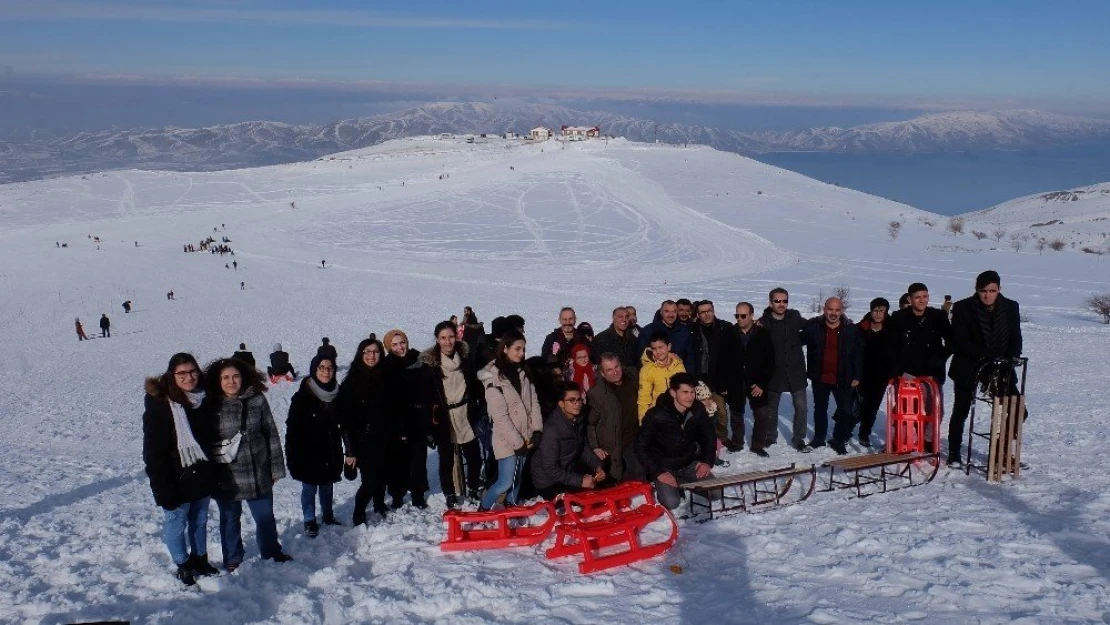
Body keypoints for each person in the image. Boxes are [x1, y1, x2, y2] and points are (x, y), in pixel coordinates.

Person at [205, 358, 291, 570]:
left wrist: (276, 468)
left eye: (235, 376)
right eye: (225, 377)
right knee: (230, 519)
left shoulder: (256, 399)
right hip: (226, 476)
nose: (231, 381)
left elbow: (271, 433)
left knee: (265, 518)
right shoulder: (210, 404)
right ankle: (233, 558)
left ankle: (271, 551)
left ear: (243, 377)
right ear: (218, 380)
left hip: (257, 471)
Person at [142, 353, 218, 586]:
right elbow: (154, 454)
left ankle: (200, 558)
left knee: (200, 521)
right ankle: (182, 564)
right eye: (182, 373)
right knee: (177, 523)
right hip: (176, 479)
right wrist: (163, 490)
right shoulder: (161, 405)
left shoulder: (203, 399)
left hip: (202, 475)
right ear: (171, 375)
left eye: (193, 371)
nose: (189, 377)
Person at [947, 270, 1023, 467]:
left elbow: (1015, 336)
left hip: (999, 368)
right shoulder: (963, 307)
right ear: (976, 289)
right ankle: (954, 452)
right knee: (961, 410)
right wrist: (989, 355)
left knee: (1017, 410)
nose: (987, 295)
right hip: (969, 364)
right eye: (983, 291)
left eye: (992, 290)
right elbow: (960, 342)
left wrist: (1013, 355)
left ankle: (1001, 452)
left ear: (999, 289)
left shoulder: (1010, 307)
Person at [420, 321, 484, 509]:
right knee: (446, 459)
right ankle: (449, 493)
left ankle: (472, 489)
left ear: (456, 336)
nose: (448, 342)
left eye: (450, 337)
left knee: (474, 457)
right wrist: (429, 423)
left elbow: (473, 381)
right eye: (443, 338)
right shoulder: (430, 364)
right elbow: (426, 396)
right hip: (444, 416)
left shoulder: (464, 357)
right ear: (437, 340)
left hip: (465, 412)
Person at [477, 330, 543, 510]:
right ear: (505, 349)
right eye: (517, 349)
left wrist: (536, 430)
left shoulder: (523, 373)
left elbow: (534, 403)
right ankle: (483, 508)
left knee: (517, 477)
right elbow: (500, 417)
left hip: (526, 435)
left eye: (523, 349)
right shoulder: (493, 379)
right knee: (505, 481)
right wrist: (517, 443)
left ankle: (511, 505)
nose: (521, 353)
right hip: (507, 440)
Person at [634, 373, 716, 510]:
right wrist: (658, 473)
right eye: (684, 392)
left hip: (688, 462)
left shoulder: (698, 410)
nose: (690, 397)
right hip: (664, 466)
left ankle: (682, 482)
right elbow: (640, 446)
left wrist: (706, 461)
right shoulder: (656, 415)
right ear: (673, 392)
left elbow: (709, 436)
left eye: (692, 392)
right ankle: (665, 485)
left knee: (716, 492)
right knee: (672, 502)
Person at [285, 355, 343, 537]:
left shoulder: (337, 393)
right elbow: (292, 429)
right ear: (314, 370)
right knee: (309, 487)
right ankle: (309, 520)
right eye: (322, 367)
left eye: (330, 367)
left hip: (330, 448)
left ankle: (328, 515)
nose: (326, 371)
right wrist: (293, 455)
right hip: (307, 451)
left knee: (327, 484)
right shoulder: (302, 396)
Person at [338, 337, 390, 523]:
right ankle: (359, 511)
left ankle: (379, 503)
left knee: (382, 475)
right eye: (367, 352)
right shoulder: (351, 382)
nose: (371, 356)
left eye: (375, 352)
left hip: (384, 437)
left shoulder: (387, 376)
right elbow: (344, 421)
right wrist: (350, 451)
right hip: (363, 440)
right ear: (361, 354)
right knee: (369, 481)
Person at [801, 297, 863, 455]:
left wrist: (857, 375)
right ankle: (819, 438)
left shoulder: (851, 329)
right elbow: (795, 338)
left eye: (837, 310)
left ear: (842, 311)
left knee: (845, 411)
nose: (833, 313)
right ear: (824, 309)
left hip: (843, 377)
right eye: (830, 309)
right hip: (819, 377)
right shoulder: (814, 326)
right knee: (820, 409)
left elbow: (858, 353)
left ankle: (838, 440)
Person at [714, 302, 775, 456]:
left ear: (752, 316)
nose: (739, 319)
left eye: (743, 316)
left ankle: (757, 445)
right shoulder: (729, 334)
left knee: (762, 414)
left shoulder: (763, 334)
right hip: (735, 381)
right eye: (737, 315)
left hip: (756, 382)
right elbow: (721, 361)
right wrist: (723, 384)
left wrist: (761, 384)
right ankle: (737, 442)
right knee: (736, 413)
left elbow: (770, 362)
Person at [382, 329, 431, 509]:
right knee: (398, 461)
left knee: (418, 460)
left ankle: (418, 494)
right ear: (388, 346)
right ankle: (397, 494)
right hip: (396, 420)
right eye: (394, 344)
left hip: (418, 418)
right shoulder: (386, 366)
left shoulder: (419, 360)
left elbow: (428, 388)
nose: (400, 347)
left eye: (402, 342)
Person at [531, 382, 605, 499]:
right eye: (572, 400)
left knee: (597, 492)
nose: (577, 404)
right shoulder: (552, 429)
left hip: (567, 472)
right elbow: (550, 468)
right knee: (583, 501)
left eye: (579, 400)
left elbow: (583, 448)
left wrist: (597, 467)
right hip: (548, 482)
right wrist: (580, 481)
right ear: (561, 403)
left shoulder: (577, 419)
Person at [759, 288, 808, 451]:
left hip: (796, 372)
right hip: (774, 373)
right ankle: (770, 436)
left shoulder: (794, 317)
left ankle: (799, 438)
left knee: (801, 407)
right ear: (770, 302)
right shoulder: (763, 323)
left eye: (784, 301)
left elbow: (813, 328)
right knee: (771, 409)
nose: (781, 304)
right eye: (777, 301)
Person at [586, 353, 643, 482]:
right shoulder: (597, 394)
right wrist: (594, 446)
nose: (615, 372)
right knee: (616, 477)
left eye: (616, 367)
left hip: (634, 436)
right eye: (609, 370)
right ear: (602, 373)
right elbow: (590, 424)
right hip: (612, 443)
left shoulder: (633, 377)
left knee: (638, 470)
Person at [856, 298, 895, 447]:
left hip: (881, 376)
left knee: (872, 407)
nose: (878, 314)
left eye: (882, 311)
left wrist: (892, 372)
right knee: (856, 406)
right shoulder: (862, 327)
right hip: (861, 374)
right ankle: (845, 432)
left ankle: (864, 433)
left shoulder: (891, 329)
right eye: (875, 310)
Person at [637, 331, 686, 421]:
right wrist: (643, 423)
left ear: (669, 347)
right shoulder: (646, 370)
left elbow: (684, 389)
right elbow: (643, 399)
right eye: (654, 348)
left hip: (678, 412)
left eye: (661, 347)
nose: (658, 351)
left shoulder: (678, 365)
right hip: (658, 414)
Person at [638, 300, 694, 371]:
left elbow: (690, 358)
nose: (670, 315)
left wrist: (688, 377)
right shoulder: (648, 331)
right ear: (661, 312)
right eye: (667, 311)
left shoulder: (684, 332)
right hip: (656, 376)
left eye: (674, 311)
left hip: (679, 376)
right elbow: (641, 357)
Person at [690, 300, 732, 385]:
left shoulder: (726, 328)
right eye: (703, 312)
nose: (707, 314)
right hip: (699, 380)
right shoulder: (692, 330)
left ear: (713, 311)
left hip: (721, 379)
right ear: (698, 315)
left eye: (709, 311)